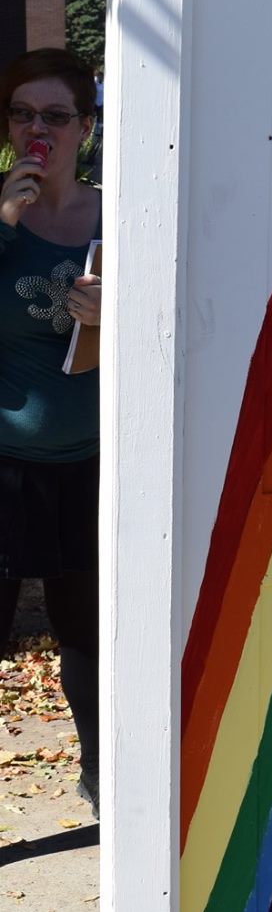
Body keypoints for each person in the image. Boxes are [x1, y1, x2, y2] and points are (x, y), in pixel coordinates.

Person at [0, 49, 102, 815]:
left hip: (94, 465)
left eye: (56, 116)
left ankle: (105, 784)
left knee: (90, 643)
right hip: (5, 466)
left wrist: (121, 316)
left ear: (85, 129)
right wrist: (3, 226)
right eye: (22, 114)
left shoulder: (121, 215)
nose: (38, 130)